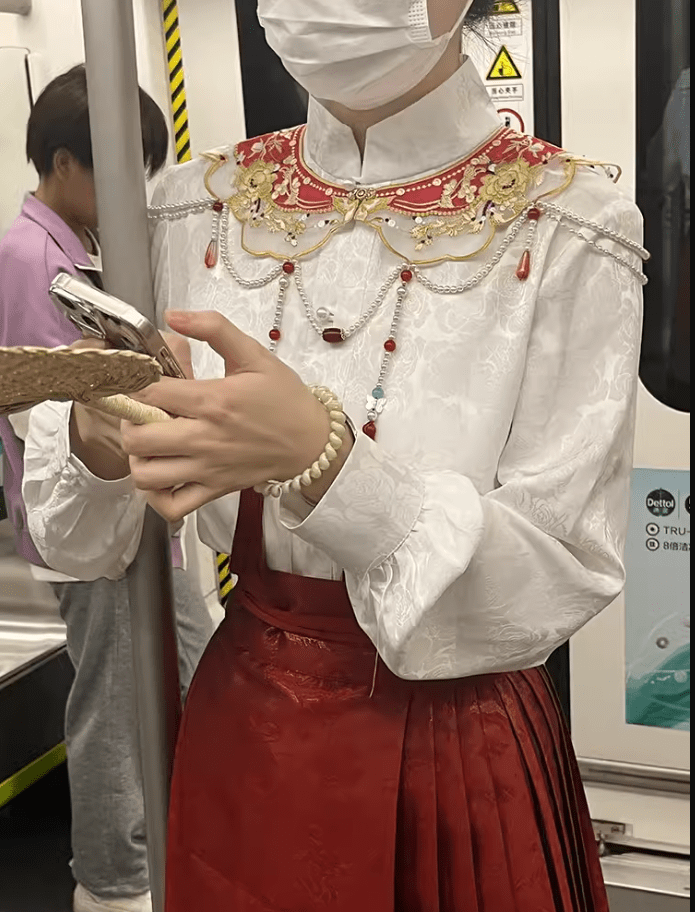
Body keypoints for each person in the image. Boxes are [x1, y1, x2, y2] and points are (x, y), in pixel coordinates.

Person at [21, 3, 647, 910]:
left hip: (453, 737)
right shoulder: (192, 207)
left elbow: (562, 566)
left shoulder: (571, 223)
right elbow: (83, 545)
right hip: (243, 715)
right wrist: (99, 437)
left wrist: (329, 464)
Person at [0, 65, 214, 912]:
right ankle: (115, 881)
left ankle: (173, 844)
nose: (136, 194)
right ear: (64, 163)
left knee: (195, 671)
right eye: (120, 172)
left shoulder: (73, 253)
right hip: (90, 523)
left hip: (132, 512)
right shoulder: (30, 262)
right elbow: (48, 415)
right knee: (114, 710)